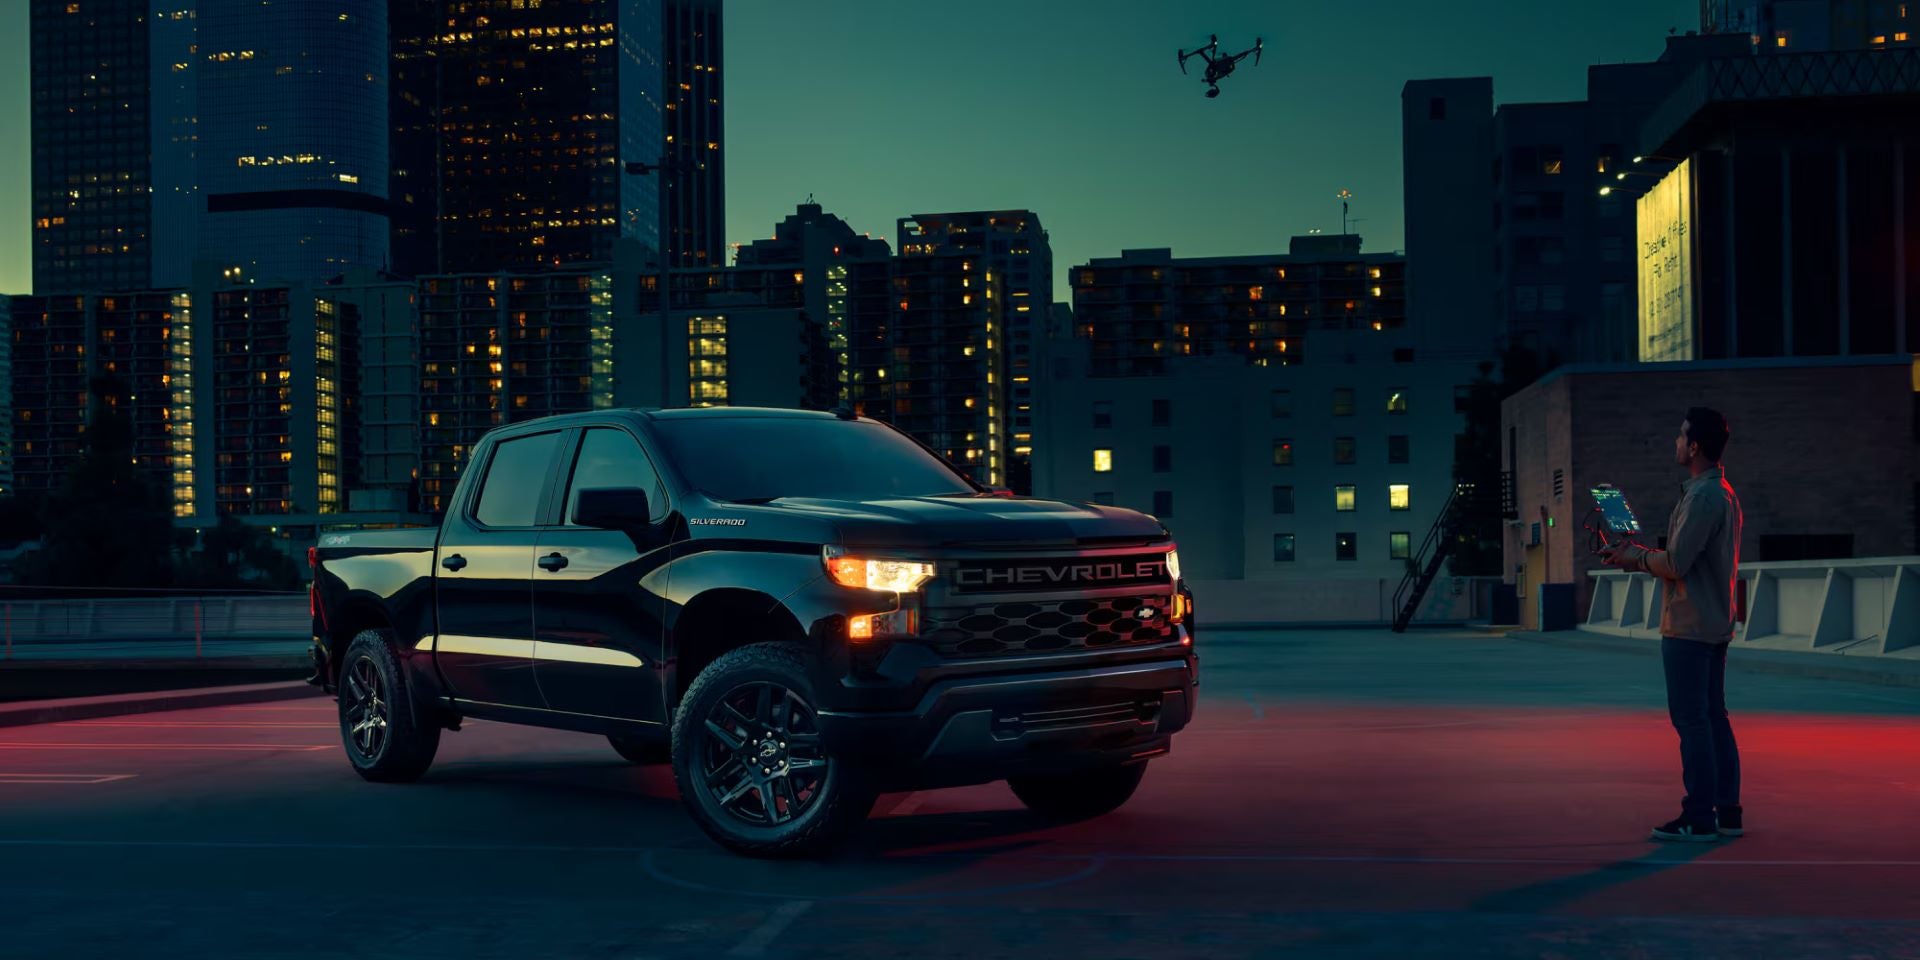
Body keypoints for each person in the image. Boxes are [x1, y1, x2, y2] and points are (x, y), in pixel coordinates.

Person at [1599, 407, 1744, 842]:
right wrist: (1641, 555)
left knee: (1692, 721)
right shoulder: (1722, 493)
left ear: (1694, 446)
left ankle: (1699, 816)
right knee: (1714, 717)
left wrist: (1635, 558)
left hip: (1689, 625)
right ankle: (1727, 812)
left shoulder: (1702, 497)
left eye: (1680, 437)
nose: (1675, 443)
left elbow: (1677, 562)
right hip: (1714, 622)